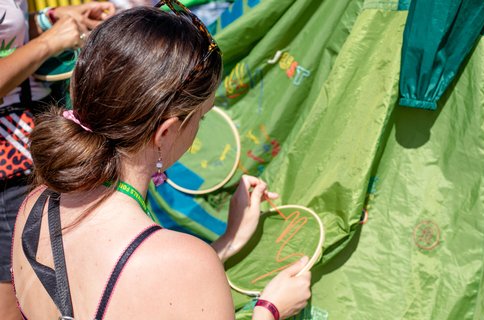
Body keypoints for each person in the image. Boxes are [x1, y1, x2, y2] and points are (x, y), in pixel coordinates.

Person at [11, 3, 311, 320]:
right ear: (165, 132)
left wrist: (229, 242)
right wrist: (270, 310)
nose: (198, 130)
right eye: (201, 118)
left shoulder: (36, 204)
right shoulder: (181, 262)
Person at [0, 1, 115, 319]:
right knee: (18, 303)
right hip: (7, 169)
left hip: (28, 153)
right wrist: (49, 42)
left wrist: (47, 21)